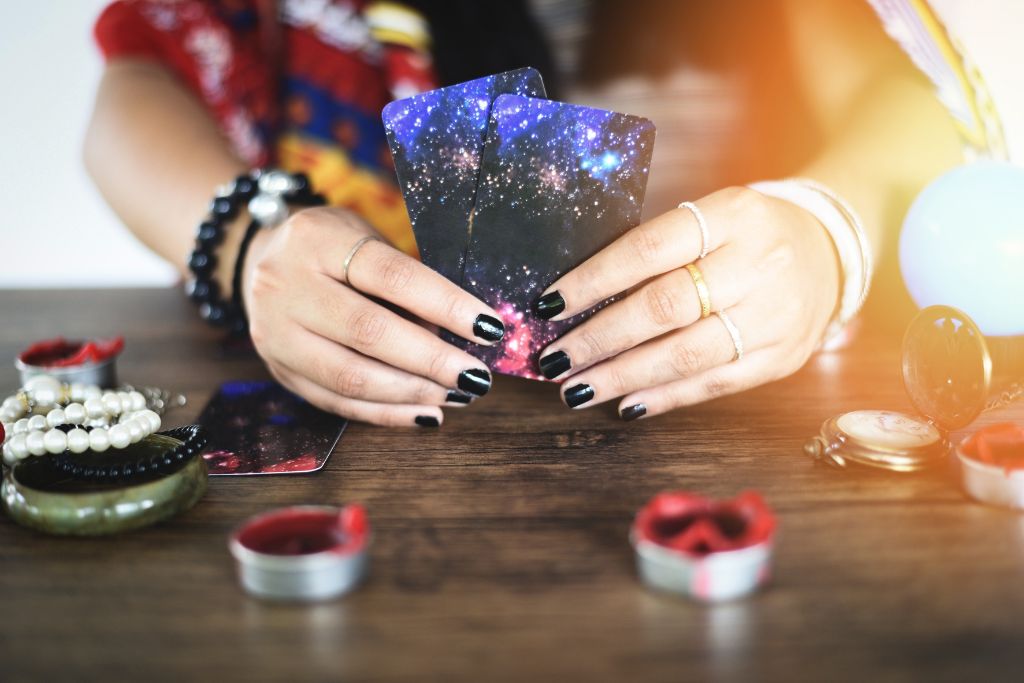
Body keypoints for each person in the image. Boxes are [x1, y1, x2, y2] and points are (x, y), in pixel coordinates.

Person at [85, 0, 965, 427]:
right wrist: (249, 241)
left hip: (736, 422)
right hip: (387, 432)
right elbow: (132, 90)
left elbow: (915, 94)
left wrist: (825, 227)